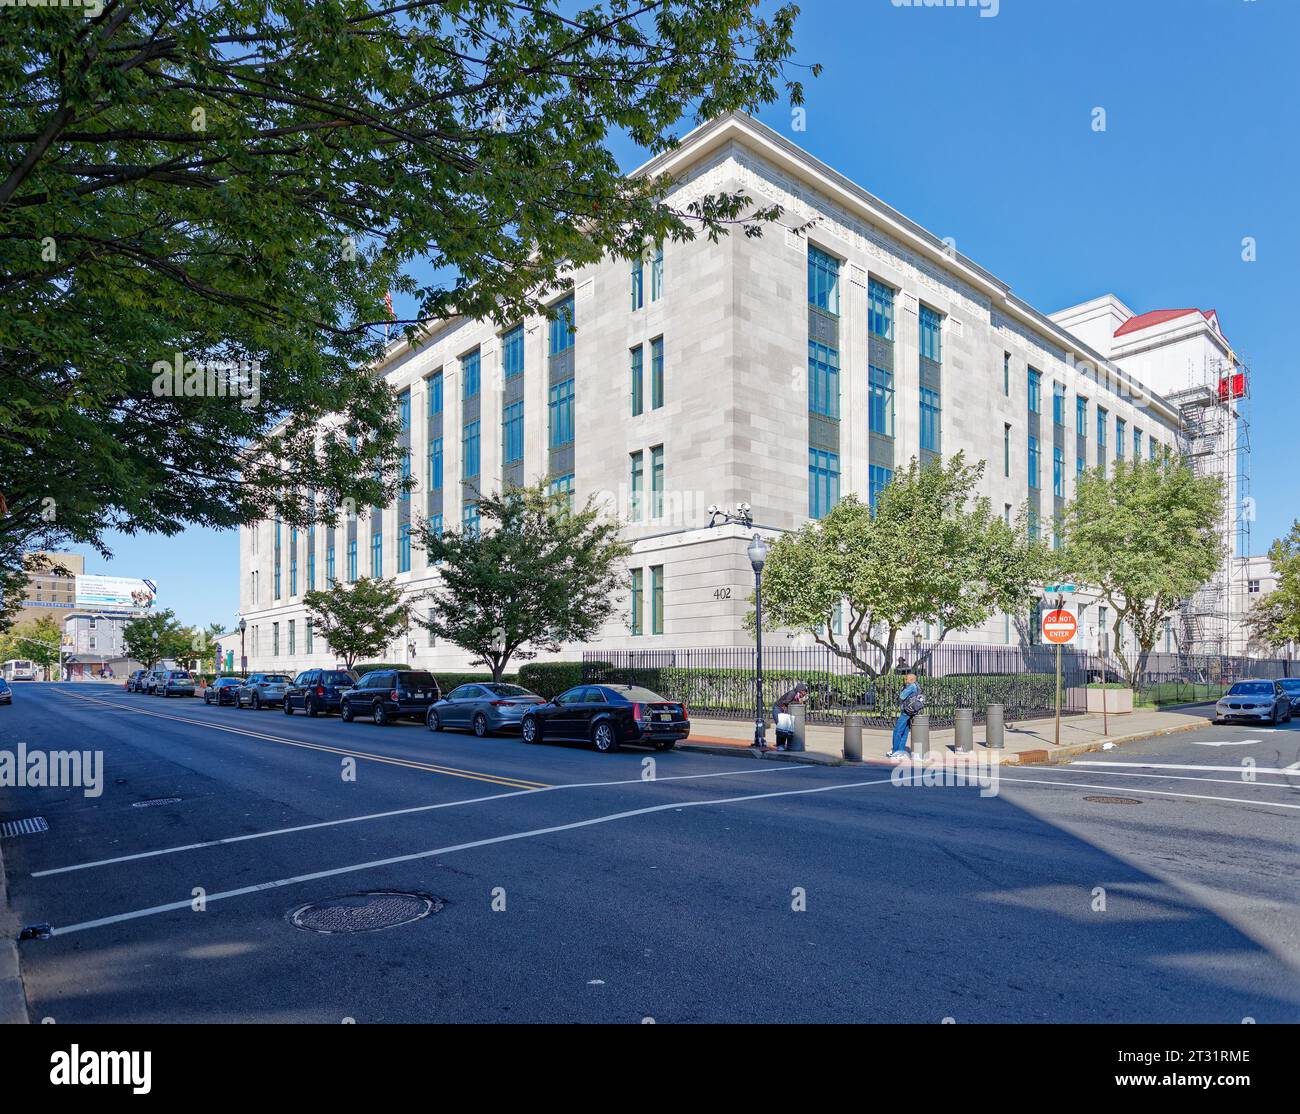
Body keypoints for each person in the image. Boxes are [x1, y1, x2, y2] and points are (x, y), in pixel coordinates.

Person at [888, 672, 923, 760]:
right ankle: (901, 751)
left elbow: (902, 696)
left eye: (906, 679)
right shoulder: (917, 686)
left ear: (911, 679)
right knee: (905, 731)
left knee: (897, 731)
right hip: (912, 711)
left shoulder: (911, 686)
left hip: (906, 711)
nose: (905, 681)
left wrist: (903, 690)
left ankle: (895, 751)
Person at [771, 681, 809, 751]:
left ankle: (782, 745)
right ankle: (780, 746)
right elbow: (786, 702)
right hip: (777, 709)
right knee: (782, 727)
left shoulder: (796, 695)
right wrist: (798, 702)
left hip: (782, 710)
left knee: (785, 728)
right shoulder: (792, 693)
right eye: (804, 691)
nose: (805, 694)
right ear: (800, 690)